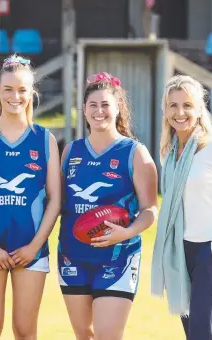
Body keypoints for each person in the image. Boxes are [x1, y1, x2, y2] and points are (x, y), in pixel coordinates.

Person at [0, 54, 61, 340]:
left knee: (25, 330)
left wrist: (34, 246)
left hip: (31, 248)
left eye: (22, 90)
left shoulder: (45, 139)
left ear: (32, 93)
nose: (15, 96)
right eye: (8, 89)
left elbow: (55, 199)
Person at [58, 72, 159, 339]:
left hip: (118, 257)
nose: (99, 111)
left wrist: (126, 232)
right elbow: (57, 202)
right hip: (72, 254)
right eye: (93, 105)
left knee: (107, 335)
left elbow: (150, 209)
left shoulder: (135, 152)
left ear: (118, 108)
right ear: (83, 110)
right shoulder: (70, 151)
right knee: (84, 335)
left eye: (105, 104)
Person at [151, 75, 212, 340]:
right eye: (173, 105)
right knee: (191, 332)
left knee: (203, 334)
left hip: (211, 253)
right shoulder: (168, 154)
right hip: (180, 253)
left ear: (199, 109)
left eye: (187, 105)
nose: (180, 113)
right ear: (165, 110)